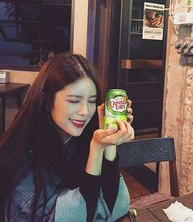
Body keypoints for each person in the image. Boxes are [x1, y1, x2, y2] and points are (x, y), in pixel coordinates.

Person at [0, 53, 134, 222]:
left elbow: (113, 205)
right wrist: (96, 149)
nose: (85, 111)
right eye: (73, 101)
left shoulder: (79, 138)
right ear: (48, 102)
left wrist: (109, 141)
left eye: (91, 101)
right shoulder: (23, 158)